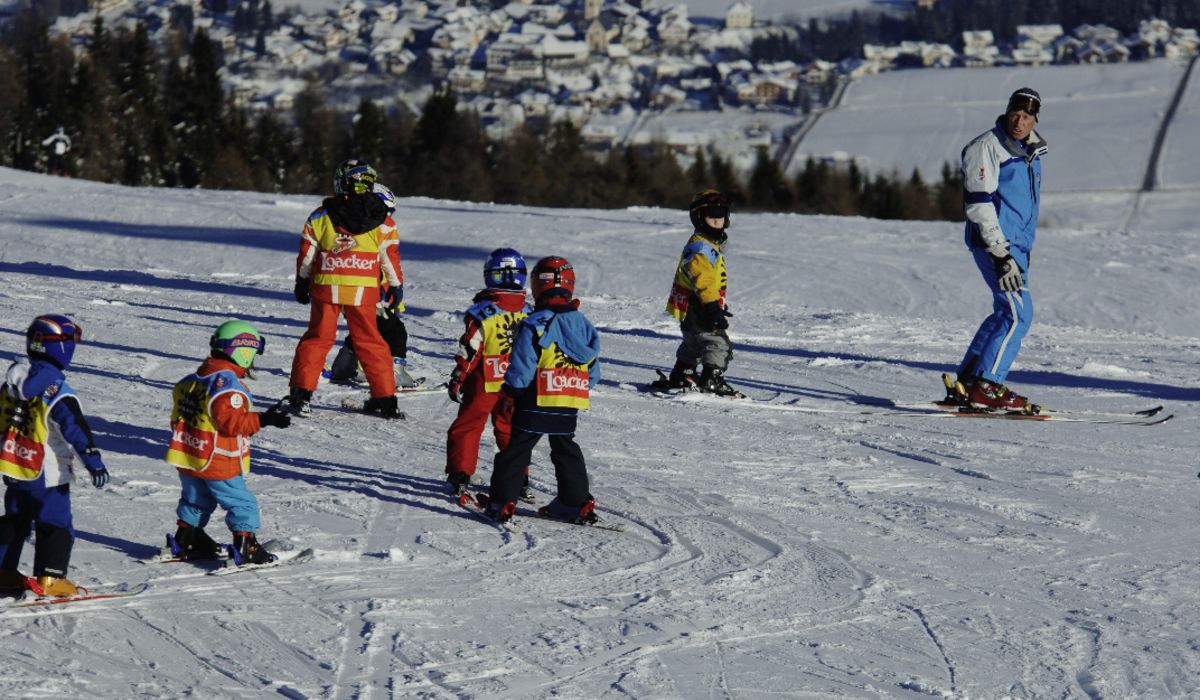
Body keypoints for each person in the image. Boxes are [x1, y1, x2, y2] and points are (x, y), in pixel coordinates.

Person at [477, 256, 601, 524]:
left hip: (537, 396)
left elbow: (523, 362)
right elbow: (593, 370)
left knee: (517, 450)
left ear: (536, 286)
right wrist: (576, 385)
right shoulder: (583, 323)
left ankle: (501, 502)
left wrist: (511, 392)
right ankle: (574, 503)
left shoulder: (535, 322)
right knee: (565, 449)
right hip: (569, 396)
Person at [949, 88, 1048, 410]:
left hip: (1016, 245)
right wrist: (1001, 252)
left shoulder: (1029, 151)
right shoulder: (986, 147)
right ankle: (988, 385)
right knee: (1019, 314)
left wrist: (1019, 249)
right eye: (1014, 115)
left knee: (1005, 312)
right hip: (997, 245)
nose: (1019, 122)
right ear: (1006, 113)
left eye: (1026, 117)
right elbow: (978, 203)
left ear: (1035, 120)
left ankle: (968, 381)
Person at [164, 321, 291, 565]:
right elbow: (231, 423)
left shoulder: (193, 379)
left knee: (196, 499)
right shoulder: (227, 385)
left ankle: (187, 539)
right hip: (218, 459)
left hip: (190, 456)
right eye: (252, 354)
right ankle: (246, 546)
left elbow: (179, 420)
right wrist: (264, 419)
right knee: (241, 502)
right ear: (244, 352)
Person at [0, 315, 109, 597]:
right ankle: (51, 577)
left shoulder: (11, 382)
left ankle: (3, 570)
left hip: (14, 466)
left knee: (15, 520)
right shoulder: (58, 392)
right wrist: (94, 462)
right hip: (47, 473)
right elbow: (76, 430)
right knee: (55, 522)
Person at [286, 160, 404, 418]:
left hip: (327, 286)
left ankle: (301, 396)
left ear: (340, 184)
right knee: (370, 341)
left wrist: (302, 280)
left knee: (318, 338)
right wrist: (395, 286)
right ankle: (386, 401)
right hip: (363, 289)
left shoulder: (320, 215)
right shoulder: (383, 220)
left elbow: (308, 253)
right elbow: (389, 258)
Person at [445, 248, 532, 497]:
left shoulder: (483, 311)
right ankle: (518, 478)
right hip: (517, 382)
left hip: (485, 380)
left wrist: (459, 376)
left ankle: (461, 475)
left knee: (469, 425)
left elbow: (471, 349)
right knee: (511, 429)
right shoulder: (530, 312)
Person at [324, 183, 418, 389]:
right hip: (367, 293)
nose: (389, 217)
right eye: (387, 211)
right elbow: (389, 260)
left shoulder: (346, 223)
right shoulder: (378, 227)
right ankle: (395, 372)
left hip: (346, 290)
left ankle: (344, 367)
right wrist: (395, 287)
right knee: (395, 331)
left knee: (365, 329)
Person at [655, 189, 737, 396]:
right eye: (711, 216)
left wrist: (717, 302)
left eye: (721, 215)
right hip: (699, 304)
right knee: (718, 343)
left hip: (689, 305)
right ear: (699, 218)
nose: (717, 220)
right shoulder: (701, 249)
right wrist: (712, 307)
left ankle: (682, 374)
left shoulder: (706, 244)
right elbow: (704, 281)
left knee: (694, 344)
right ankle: (712, 380)